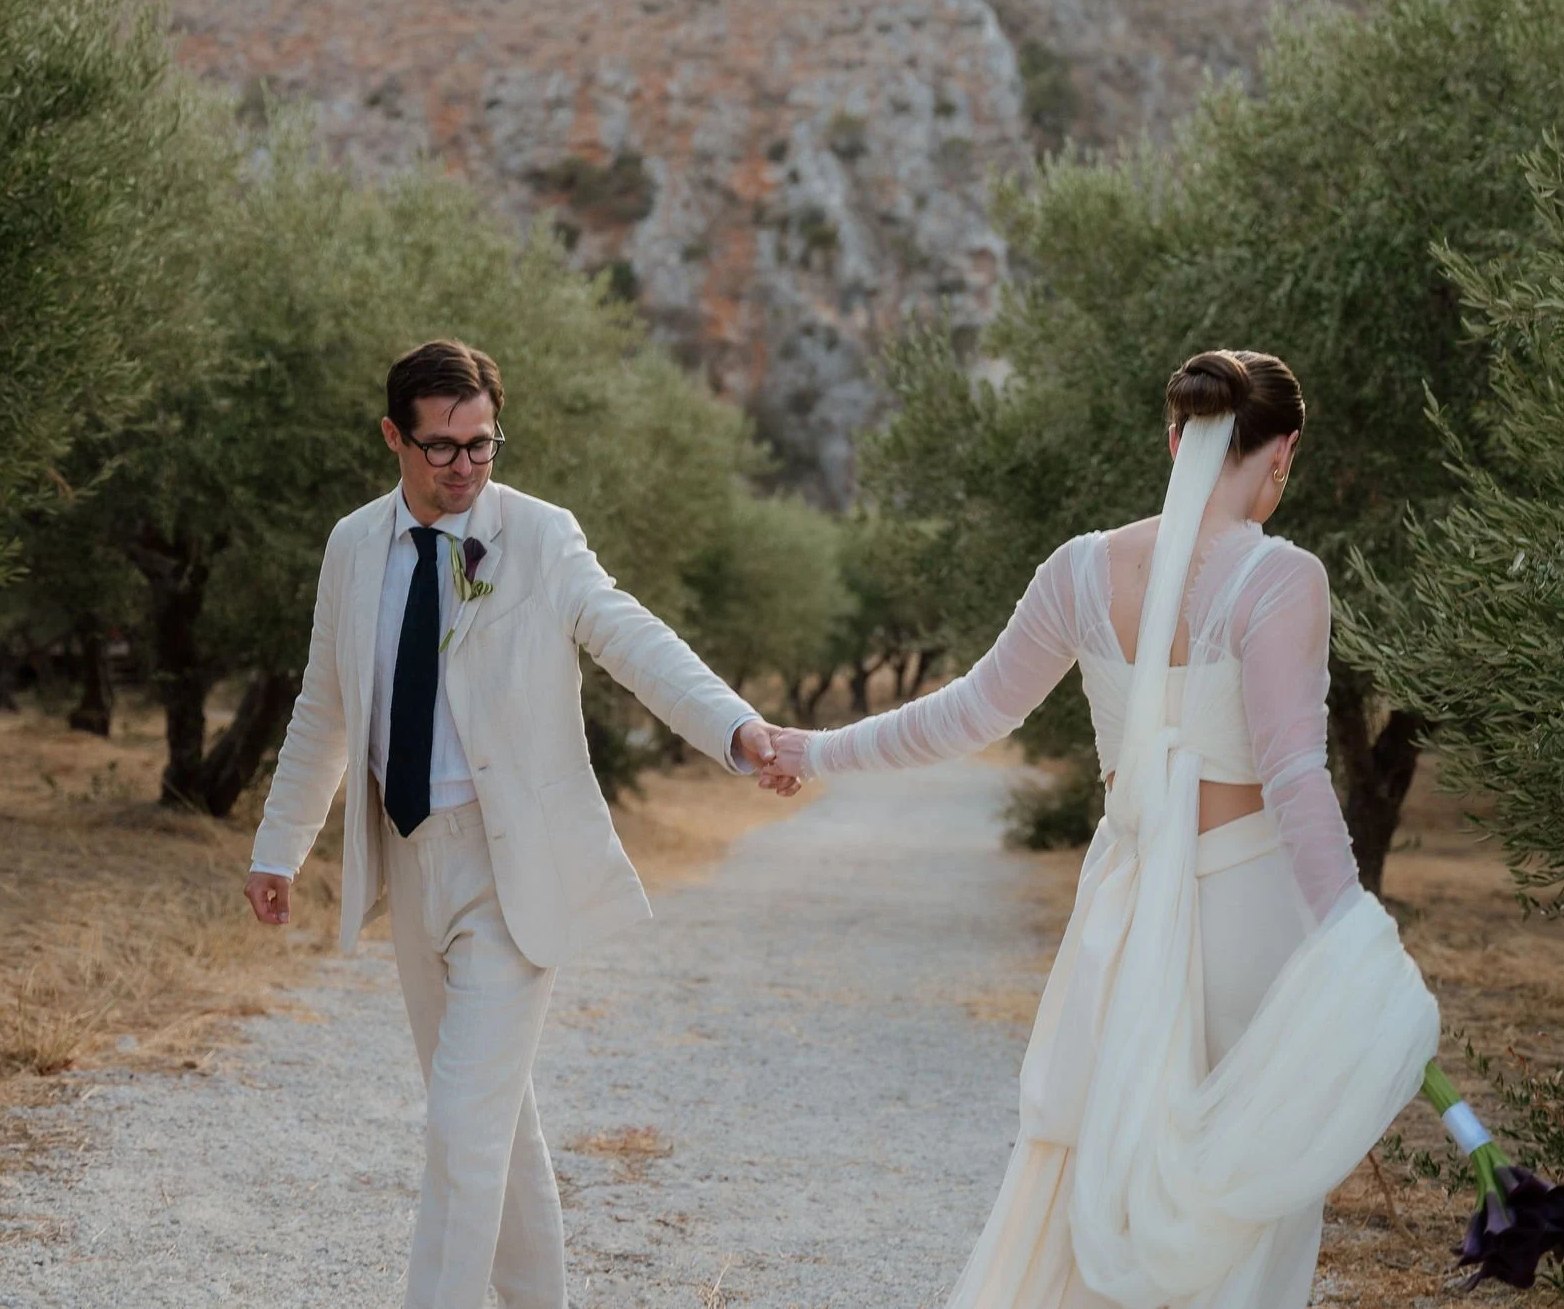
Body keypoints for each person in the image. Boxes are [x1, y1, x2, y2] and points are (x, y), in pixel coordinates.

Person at [759, 351, 1438, 1309]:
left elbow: (968, 712)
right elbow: (1293, 777)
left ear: (1176, 438)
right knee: (1229, 1200)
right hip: (1247, 917)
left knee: (1103, 1171)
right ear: (1284, 454)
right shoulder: (1283, 579)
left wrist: (818, 749)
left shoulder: (1080, 570)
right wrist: (1355, 940)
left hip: (1120, 922)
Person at [242, 339, 780, 1309]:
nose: (464, 467)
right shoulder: (351, 545)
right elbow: (324, 708)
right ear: (392, 438)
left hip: (508, 866)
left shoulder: (539, 536)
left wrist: (735, 731)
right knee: (492, 1120)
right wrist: (278, 847)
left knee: (459, 1126)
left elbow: (628, 636)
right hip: (409, 863)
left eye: (480, 445)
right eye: (441, 447)